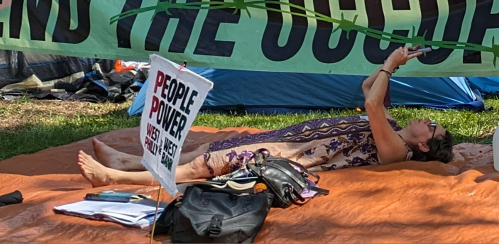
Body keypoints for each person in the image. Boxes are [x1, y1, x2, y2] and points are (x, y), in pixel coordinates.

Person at [78, 47, 451, 186]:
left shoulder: (396, 151)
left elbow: (371, 106)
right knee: (216, 144)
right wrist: (391, 66)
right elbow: (369, 88)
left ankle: (112, 178)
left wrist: (389, 65)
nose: (427, 120)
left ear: (423, 145)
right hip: (295, 137)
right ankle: (129, 161)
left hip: (296, 156)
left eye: (431, 127)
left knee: (210, 164)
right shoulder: (396, 129)